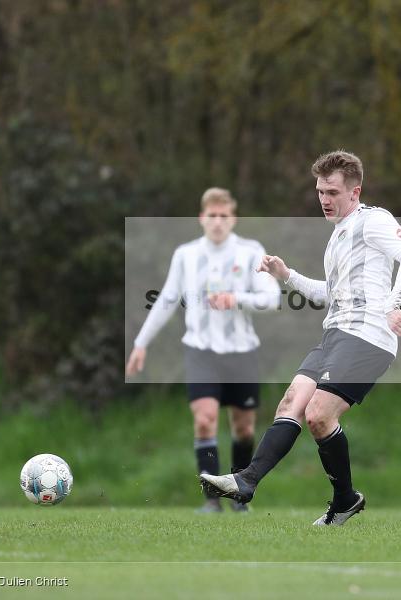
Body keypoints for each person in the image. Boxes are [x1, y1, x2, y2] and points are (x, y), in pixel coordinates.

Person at [200, 150, 401, 526]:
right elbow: (329, 295)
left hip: (367, 336)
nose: (324, 198)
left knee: (318, 414)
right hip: (336, 332)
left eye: (332, 191)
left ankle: (339, 499)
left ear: (355, 192)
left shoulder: (373, 220)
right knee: (292, 403)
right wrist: (286, 275)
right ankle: (250, 481)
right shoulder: (338, 235)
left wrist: (392, 305)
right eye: (320, 191)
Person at [125, 188, 280, 513]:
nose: (218, 222)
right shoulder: (186, 254)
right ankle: (211, 500)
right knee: (205, 419)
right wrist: (141, 343)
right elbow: (167, 299)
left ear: (233, 218)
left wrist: (236, 299)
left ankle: (239, 496)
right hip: (200, 351)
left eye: (224, 216)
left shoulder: (251, 252)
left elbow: (271, 298)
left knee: (243, 428)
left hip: (241, 351)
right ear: (201, 218)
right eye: (212, 216)